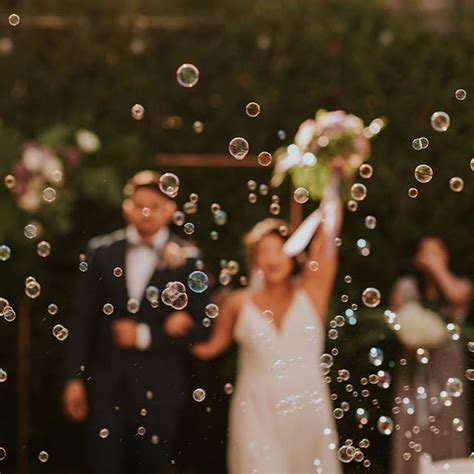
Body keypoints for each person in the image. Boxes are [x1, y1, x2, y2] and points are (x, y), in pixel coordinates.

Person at [191, 165, 343, 474]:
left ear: (294, 254)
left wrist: (334, 178)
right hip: (256, 410)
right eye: (264, 251)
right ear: (255, 259)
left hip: (307, 406)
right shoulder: (237, 303)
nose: (272, 258)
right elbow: (209, 348)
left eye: (279, 250)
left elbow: (328, 235)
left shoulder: (312, 293)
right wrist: (169, 330)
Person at [62, 170, 209, 474]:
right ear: (126, 206)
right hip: (105, 386)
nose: (145, 212)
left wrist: (145, 334)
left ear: (170, 210)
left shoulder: (188, 258)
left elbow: (201, 324)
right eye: (138, 204)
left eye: (154, 205)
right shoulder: (102, 252)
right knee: (102, 464)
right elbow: (83, 319)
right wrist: (74, 377)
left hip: (160, 387)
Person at [389, 236, 472, 474]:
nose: (429, 257)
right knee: (412, 430)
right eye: (425, 252)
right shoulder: (406, 287)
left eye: (436, 252)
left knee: (447, 427)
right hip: (414, 370)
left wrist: (437, 269)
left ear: (445, 256)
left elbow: (456, 296)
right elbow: (397, 322)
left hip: (447, 372)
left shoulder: (460, 285)